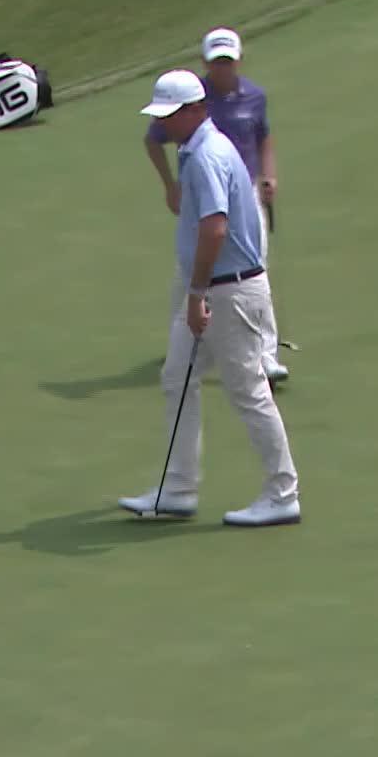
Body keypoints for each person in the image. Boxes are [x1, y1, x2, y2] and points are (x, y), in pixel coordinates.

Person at [120, 69, 302, 527]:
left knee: (248, 392)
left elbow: (215, 228)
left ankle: (283, 493)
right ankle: (178, 489)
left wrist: (196, 294)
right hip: (215, 287)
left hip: (229, 290)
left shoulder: (205, 156)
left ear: (195, 110)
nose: (163, 124)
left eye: (170, 115)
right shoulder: (196, 149)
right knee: (178, 377)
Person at [144, 27, 287, 380]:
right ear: (205, 62)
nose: (223, 68)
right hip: (201, 196)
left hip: (244, 195)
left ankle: (265, 355)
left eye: (228, 61)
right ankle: (184, 344)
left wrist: (269, 175)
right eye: (216, 62)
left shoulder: (255, 96)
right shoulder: (189, 101)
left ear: (238, 60)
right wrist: (170, 186)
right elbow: (153, 139)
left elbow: (263, 136)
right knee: (188, 270)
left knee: (254, 269)